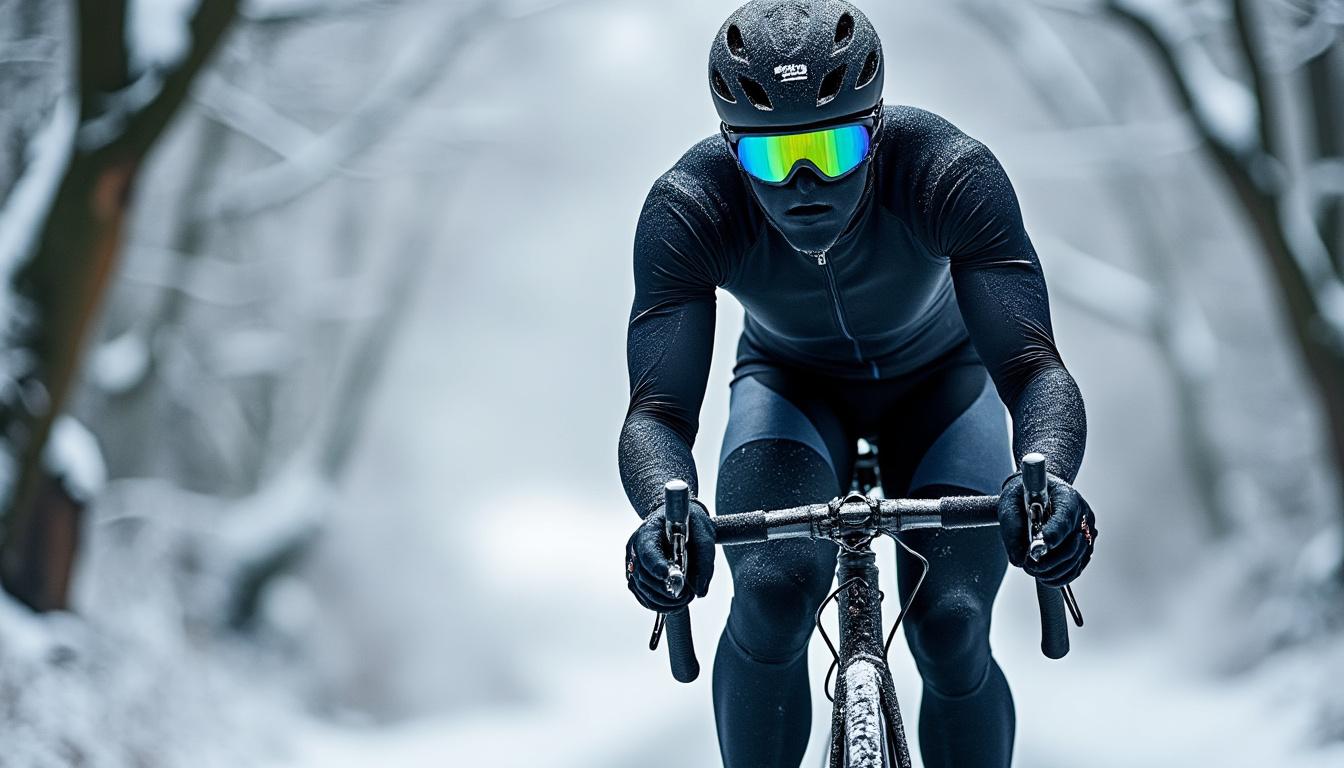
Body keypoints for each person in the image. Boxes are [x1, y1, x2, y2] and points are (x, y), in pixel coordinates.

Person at [619, 2, 1097, 766]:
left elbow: (1034, 368)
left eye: (835, 147)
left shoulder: (945, 172)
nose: (804, 182)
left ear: (876, 130)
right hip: (791, 389)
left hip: (942, 385)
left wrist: (1051, 482)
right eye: (771, 158)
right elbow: (658, 414)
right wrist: (661, 515)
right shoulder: (692, 206)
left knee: (951, 623)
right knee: (773, 593)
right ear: (730, 150)